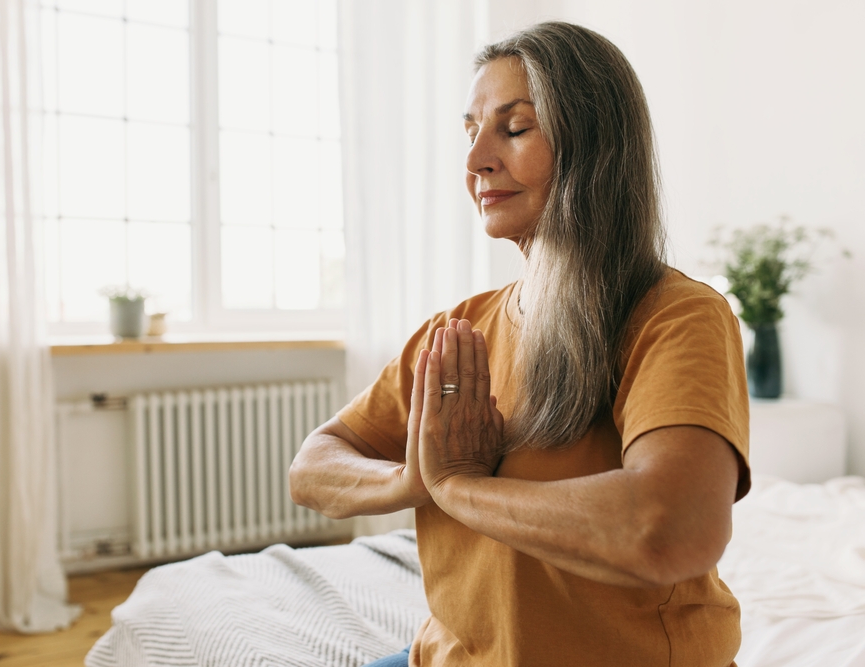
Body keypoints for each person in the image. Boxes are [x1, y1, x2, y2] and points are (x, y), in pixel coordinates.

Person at [289, 21, 749, 667]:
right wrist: (413, 479)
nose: (476, 158)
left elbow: (669, 531)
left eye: (514, 127)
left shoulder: (676, 317)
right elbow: (312, 467)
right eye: (471, 129)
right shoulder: (456, 332)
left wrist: (459, 486)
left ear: (593, 144)